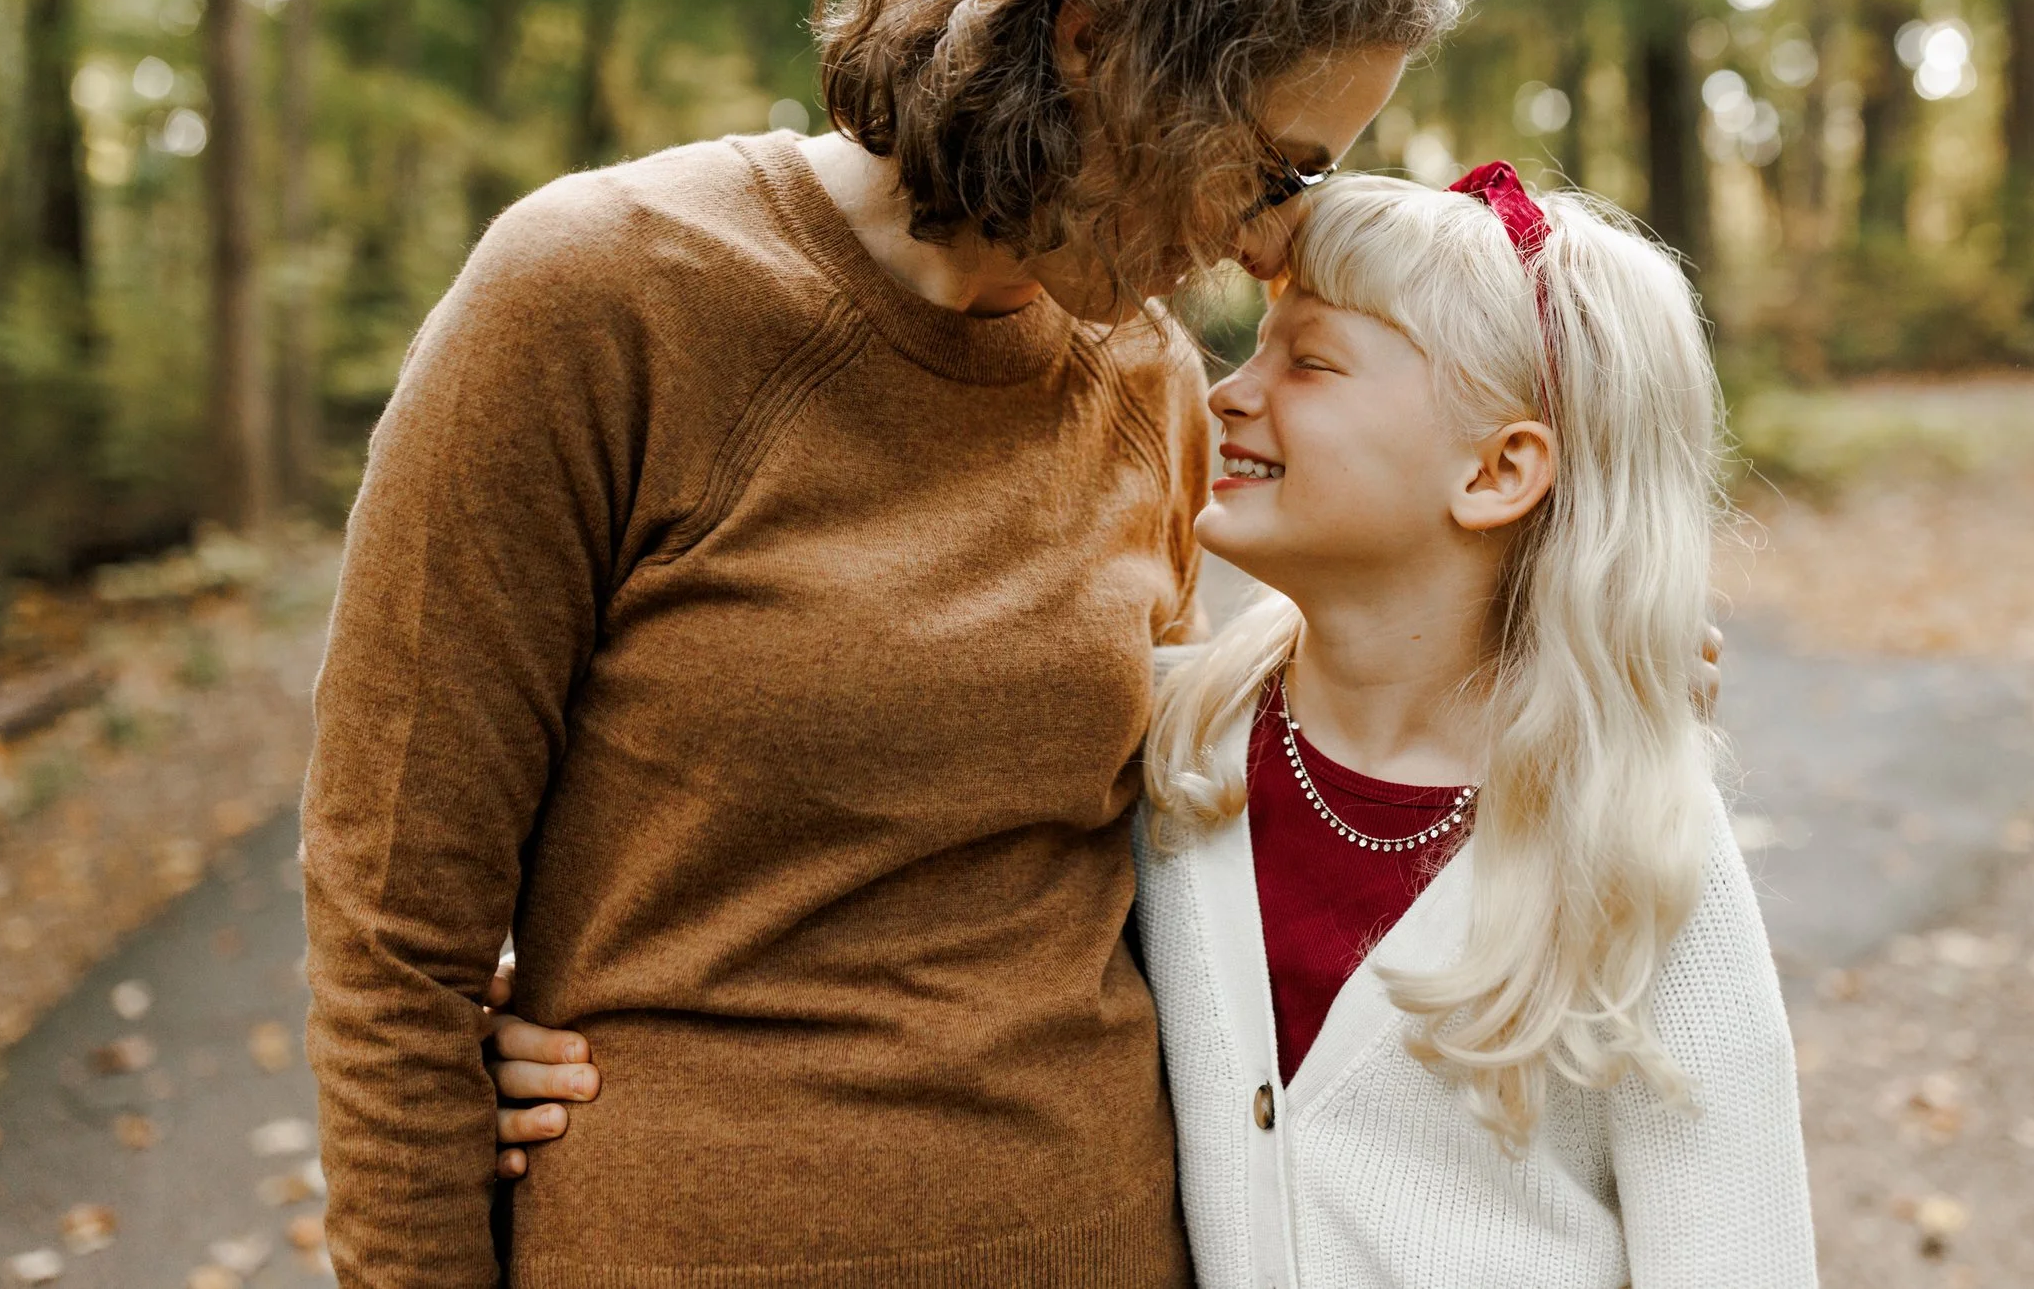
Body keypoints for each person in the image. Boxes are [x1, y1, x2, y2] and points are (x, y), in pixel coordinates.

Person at [300, 0, 1462, 1289]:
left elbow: (1182, 867)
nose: (1269, 247)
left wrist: (1533, 668)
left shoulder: (1152, 382)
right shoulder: (599, 297)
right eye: (1269, 168)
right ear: (1091, 40)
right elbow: (391, 936)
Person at [492, 167, 1800, 1288]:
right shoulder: (1166, 751)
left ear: (1499, 469)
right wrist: (550, 1006)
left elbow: (1736, 1250)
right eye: (1255, 344)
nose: (1226, 392)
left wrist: (1605, 688)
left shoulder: (1638, 843)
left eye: (1314, 361)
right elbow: (888, 863)